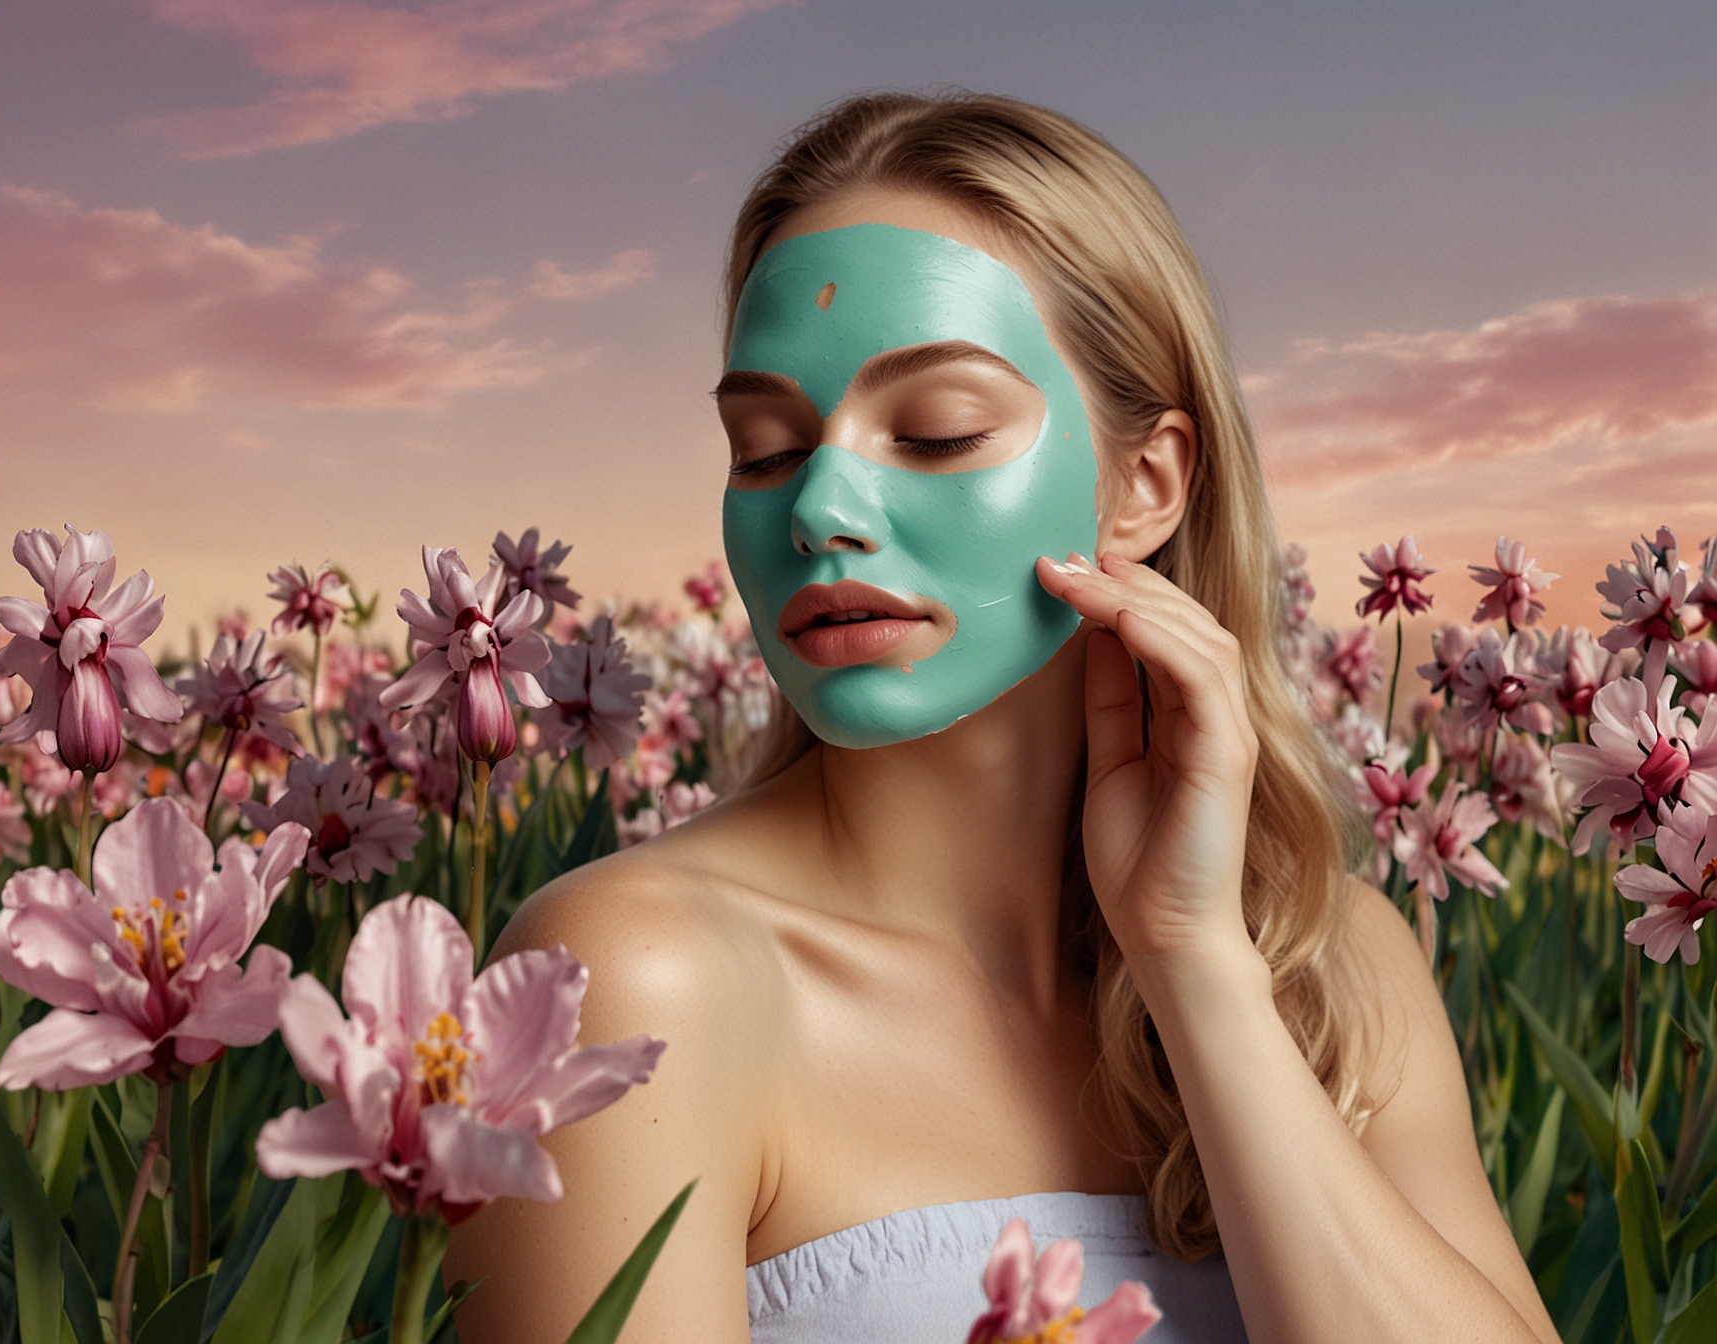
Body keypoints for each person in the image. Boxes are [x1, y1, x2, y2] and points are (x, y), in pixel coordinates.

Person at [446, 93, 1560, 1344]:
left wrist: (1195, 968)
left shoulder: (1328, 962)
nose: (819, 508)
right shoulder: (636, 985)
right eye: (763, 450)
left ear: (1142, 487)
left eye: (937, 432)